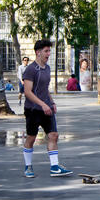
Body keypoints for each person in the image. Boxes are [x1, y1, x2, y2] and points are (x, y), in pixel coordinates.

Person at [22, 39, 73, 178]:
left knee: (53, 135)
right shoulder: (30, 69)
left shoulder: (47, 68)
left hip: (47, 109)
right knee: (31, 138)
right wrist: (42, 104)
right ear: (38, 53)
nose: (49, 54)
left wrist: (51, 102)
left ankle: (55, 167)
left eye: (49, 51)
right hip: (33, 109)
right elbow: (28, 92)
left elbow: (45, 89)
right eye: (46, 51)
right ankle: (28, 166)